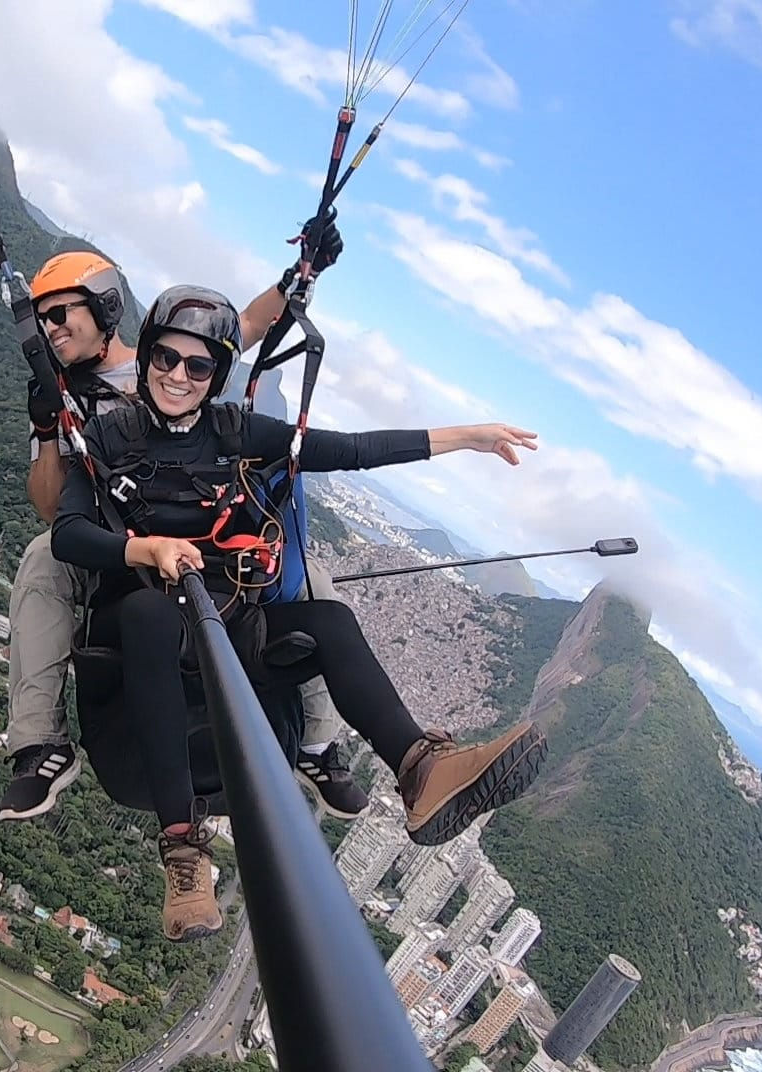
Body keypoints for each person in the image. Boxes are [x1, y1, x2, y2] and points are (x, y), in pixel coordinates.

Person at [50, 284, 547, 942]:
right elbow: (69, 533)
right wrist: (143, 547)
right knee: (147, 612)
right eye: (165, 358)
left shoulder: (238, 435)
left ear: (217, 373)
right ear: (146, 360)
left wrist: (466, 437)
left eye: (198, 366)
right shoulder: (109, 439)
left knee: (330, 623)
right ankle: (183, 855)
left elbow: (350, 450)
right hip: (138, 627)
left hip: (226, 621)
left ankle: (420, 770)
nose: (177, 375)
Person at [0, 228, 364, 822]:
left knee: (310, 572)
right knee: (44, 555)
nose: (52, 330)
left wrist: (305, 271)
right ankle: (39, 742)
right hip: (128, 555)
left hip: (209, 548)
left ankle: (319, 744)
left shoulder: (171, 360)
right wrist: (45, 432)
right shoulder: (63, 400)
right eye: (43, 323)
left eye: (61, 314)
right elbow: (51, 510)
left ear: (104, 308)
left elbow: (246, 326)